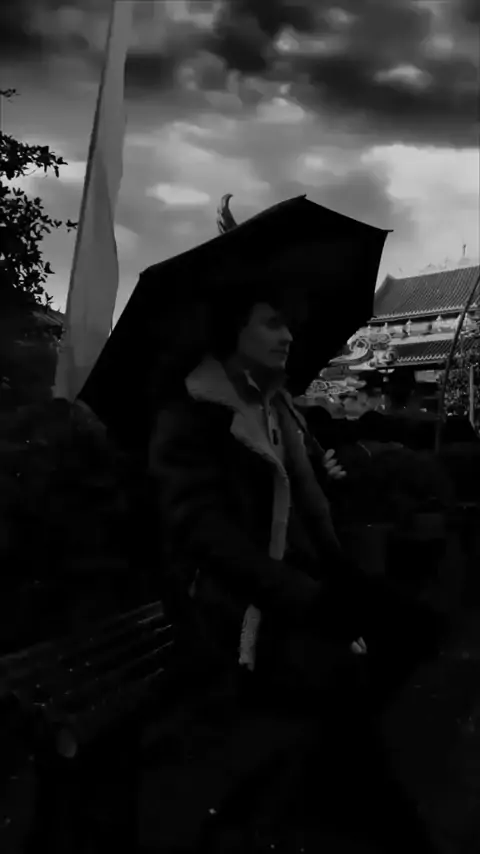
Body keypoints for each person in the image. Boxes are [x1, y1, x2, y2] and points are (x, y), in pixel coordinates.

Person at [148, 287, 442, 852]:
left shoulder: (279, 408)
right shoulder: (193, 417)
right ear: (232, 331)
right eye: (271, 323)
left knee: (418, 628)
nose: (288, 337)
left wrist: (327, 476)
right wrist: (310, 600)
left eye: (289, 325)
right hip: (243, 608)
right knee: (346, 694)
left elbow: (309, 508)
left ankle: (331, 774)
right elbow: (207, 536)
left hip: (312, 579)